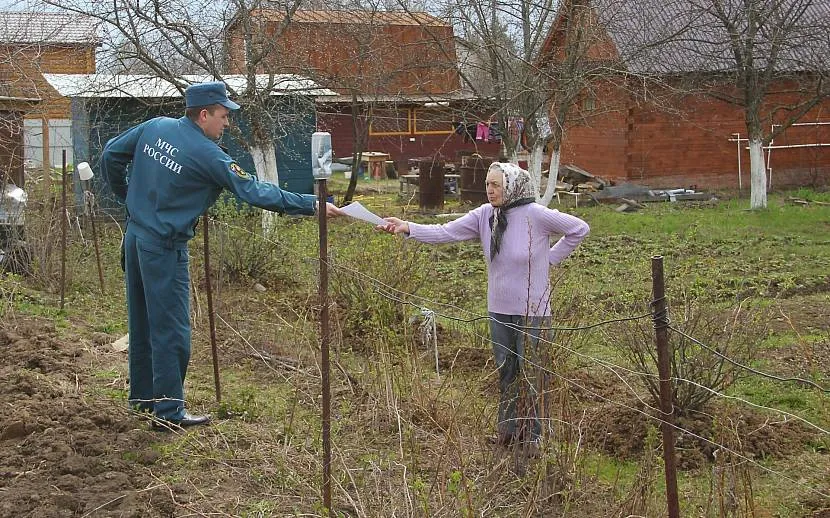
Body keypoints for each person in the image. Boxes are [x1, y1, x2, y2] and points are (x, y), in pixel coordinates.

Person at [101, 81, 342, 429]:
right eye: (224, 115)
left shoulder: (155, 127)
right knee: (172, 331)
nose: (227, 123)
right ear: (203, 115)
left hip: (135, 237)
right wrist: (312, 205)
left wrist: (126, 197)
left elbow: (111, 154)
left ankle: (142, 400)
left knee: (141, 322)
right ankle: (168, 413)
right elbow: (257, 192)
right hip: (164, 249)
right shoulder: (209, 155)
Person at [379, 163, 589, 449]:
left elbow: (579, 228)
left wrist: (548, 259)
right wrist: (407, 228)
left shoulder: (536, 215)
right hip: (499, 308)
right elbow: (445, 233)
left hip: (533, 312)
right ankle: (508, 433)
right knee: (506, 372)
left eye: (496, 185)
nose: (490, 190)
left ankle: (536, 438)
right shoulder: (485, 216)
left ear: (513, 186)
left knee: (533, 375)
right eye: (488, 184)